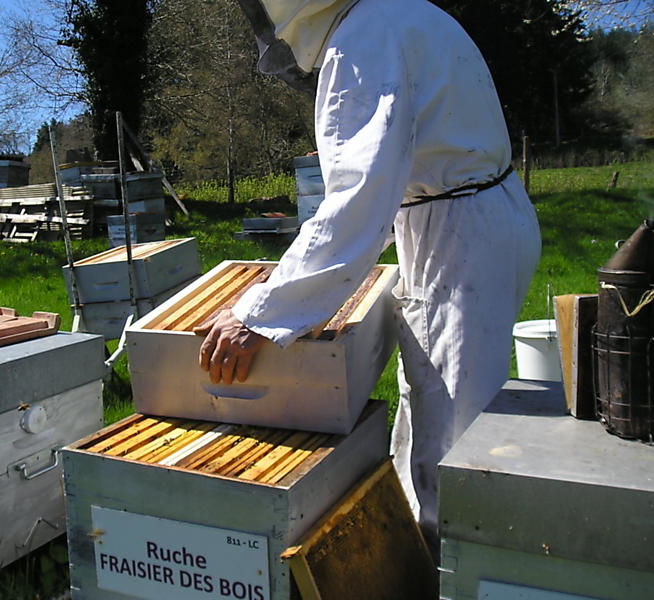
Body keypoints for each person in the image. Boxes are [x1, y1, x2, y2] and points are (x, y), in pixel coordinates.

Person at [195, 0, 541, 556]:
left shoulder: (363, 41)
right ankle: (421, 555)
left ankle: (452, 571)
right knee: (430, 399)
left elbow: (359, 197)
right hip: (469, 220)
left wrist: (260, 313)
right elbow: (385, 188)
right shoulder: (399, 13)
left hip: (458, 237)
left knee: (450, 435)